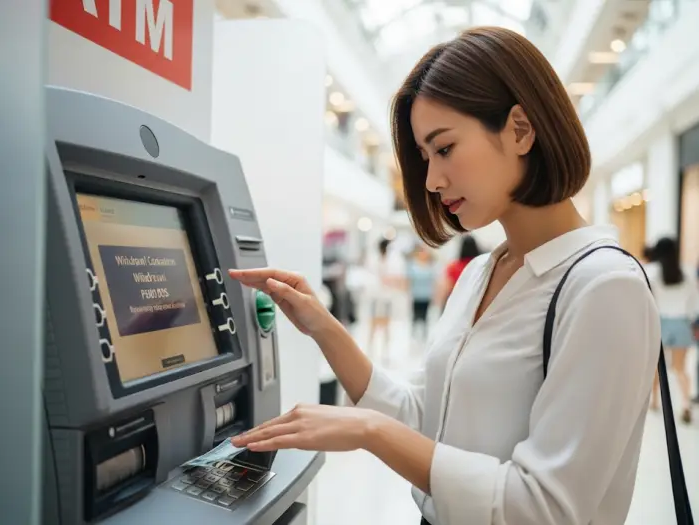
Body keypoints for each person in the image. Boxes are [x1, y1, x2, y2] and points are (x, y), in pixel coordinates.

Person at [228, 27, 660, 525]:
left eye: (445, 148)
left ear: (520, 129)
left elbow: (543, 508)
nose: (432, 180)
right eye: (425, 156)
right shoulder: (482, 271)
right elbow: (426, 417)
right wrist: (322, 326)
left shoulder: (605, 288)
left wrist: (371, 431)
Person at [646, 237, 697, 423]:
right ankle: (685, 404)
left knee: (656, 366)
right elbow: (693, 303)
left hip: (661, 323)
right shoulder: (687, 272)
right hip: (682, 323)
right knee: (680, 368)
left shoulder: (652, 272)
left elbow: (648, 299)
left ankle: (654, 401)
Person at [433, 235, 481, 309]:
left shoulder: (454, 266)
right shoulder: (480, 266)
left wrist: (440, 301)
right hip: (474, 302)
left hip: (455, 302)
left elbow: (447, 286)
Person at [407, 245, 437, 340]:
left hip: (426, 295)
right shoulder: (413, 266)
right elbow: (409, 281)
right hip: (416, 295)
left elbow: (433, 282)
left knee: (425, 317)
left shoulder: (430, 266)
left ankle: (424, 336)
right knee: (415, 316)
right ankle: (414, 335)